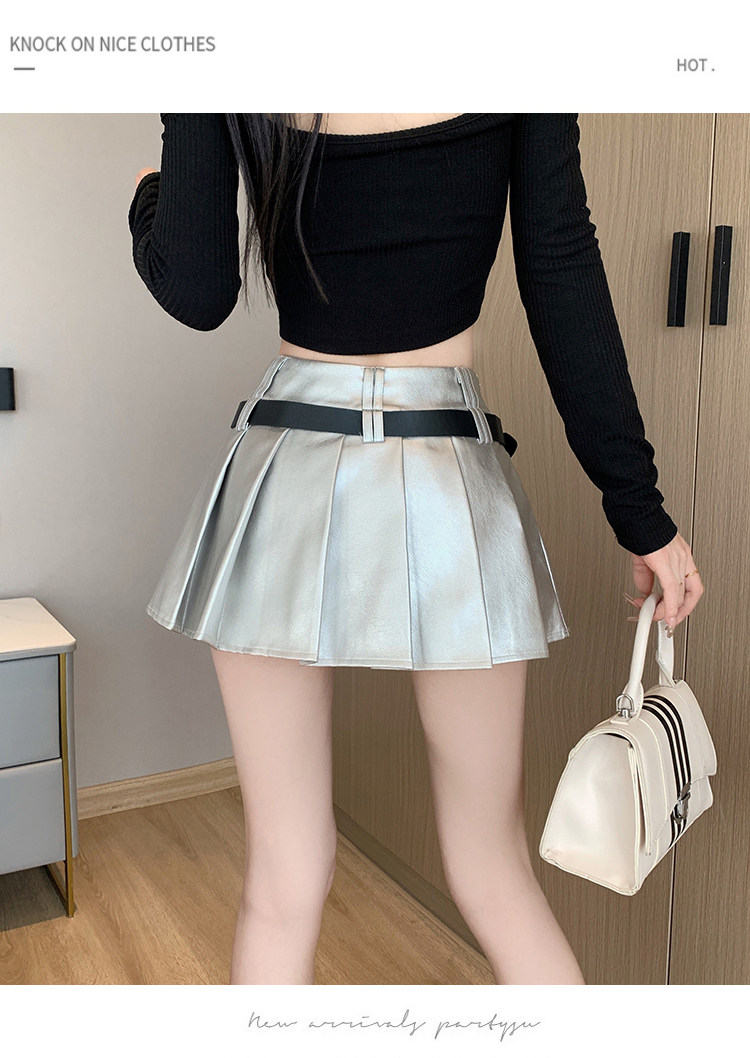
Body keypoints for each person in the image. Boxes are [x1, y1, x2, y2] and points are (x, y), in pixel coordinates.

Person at [128, 113, 704, 986]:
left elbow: (197, 288)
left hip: (284, 473)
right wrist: (641, 513)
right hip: (448, 478)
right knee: (495, 874)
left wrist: (148, 198)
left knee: (284, 878)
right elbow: (560, 270)